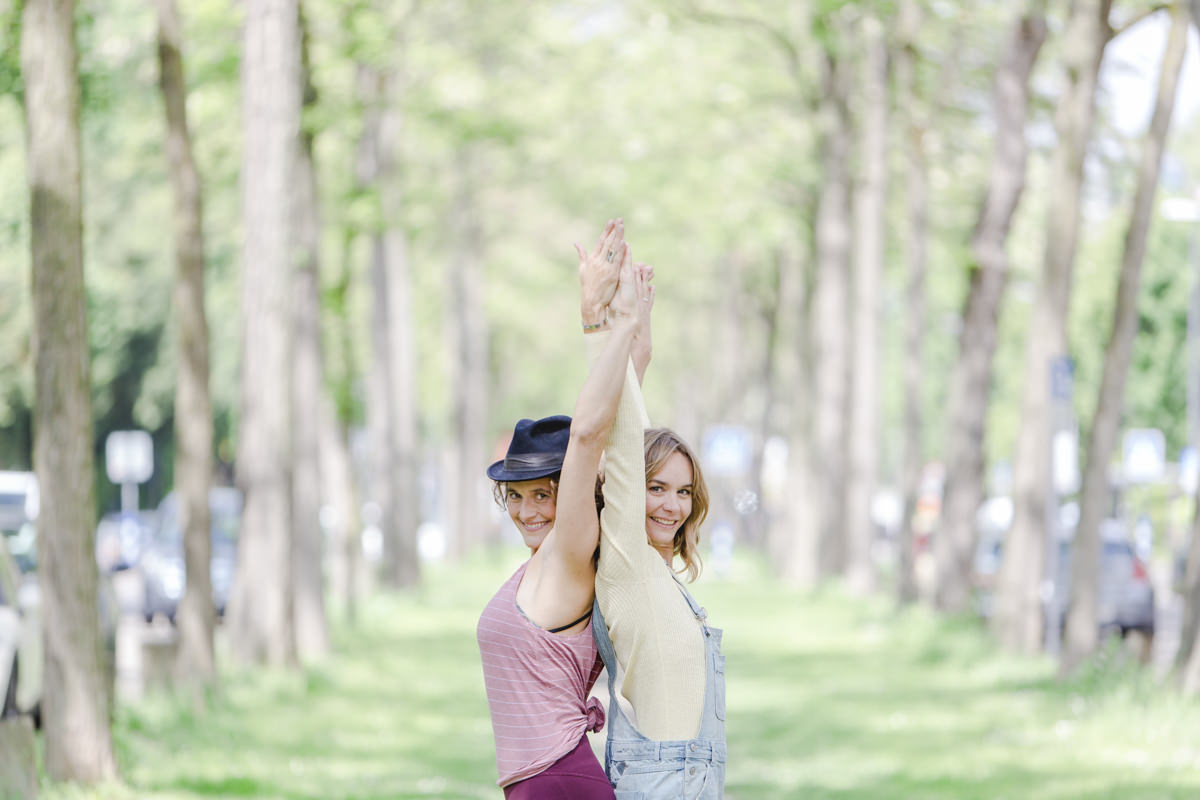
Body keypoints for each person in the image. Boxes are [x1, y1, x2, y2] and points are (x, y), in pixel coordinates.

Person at [476, 219, 652, 799]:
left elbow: (592, 435)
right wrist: (629, 340)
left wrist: (602, 322)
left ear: (571, 493)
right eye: (516, 495)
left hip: (557, 782)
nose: (526, 511)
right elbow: (617, 421)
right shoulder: (544, 561)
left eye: (543, 494)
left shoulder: (571, 551)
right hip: (546, 783)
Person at [589, 251, 726, 797]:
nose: (673, 505)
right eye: (656, 488)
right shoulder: (628, 565)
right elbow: (623, 440)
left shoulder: (661, 577)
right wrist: (607, 328)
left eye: (684, 491)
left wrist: (639, 346)